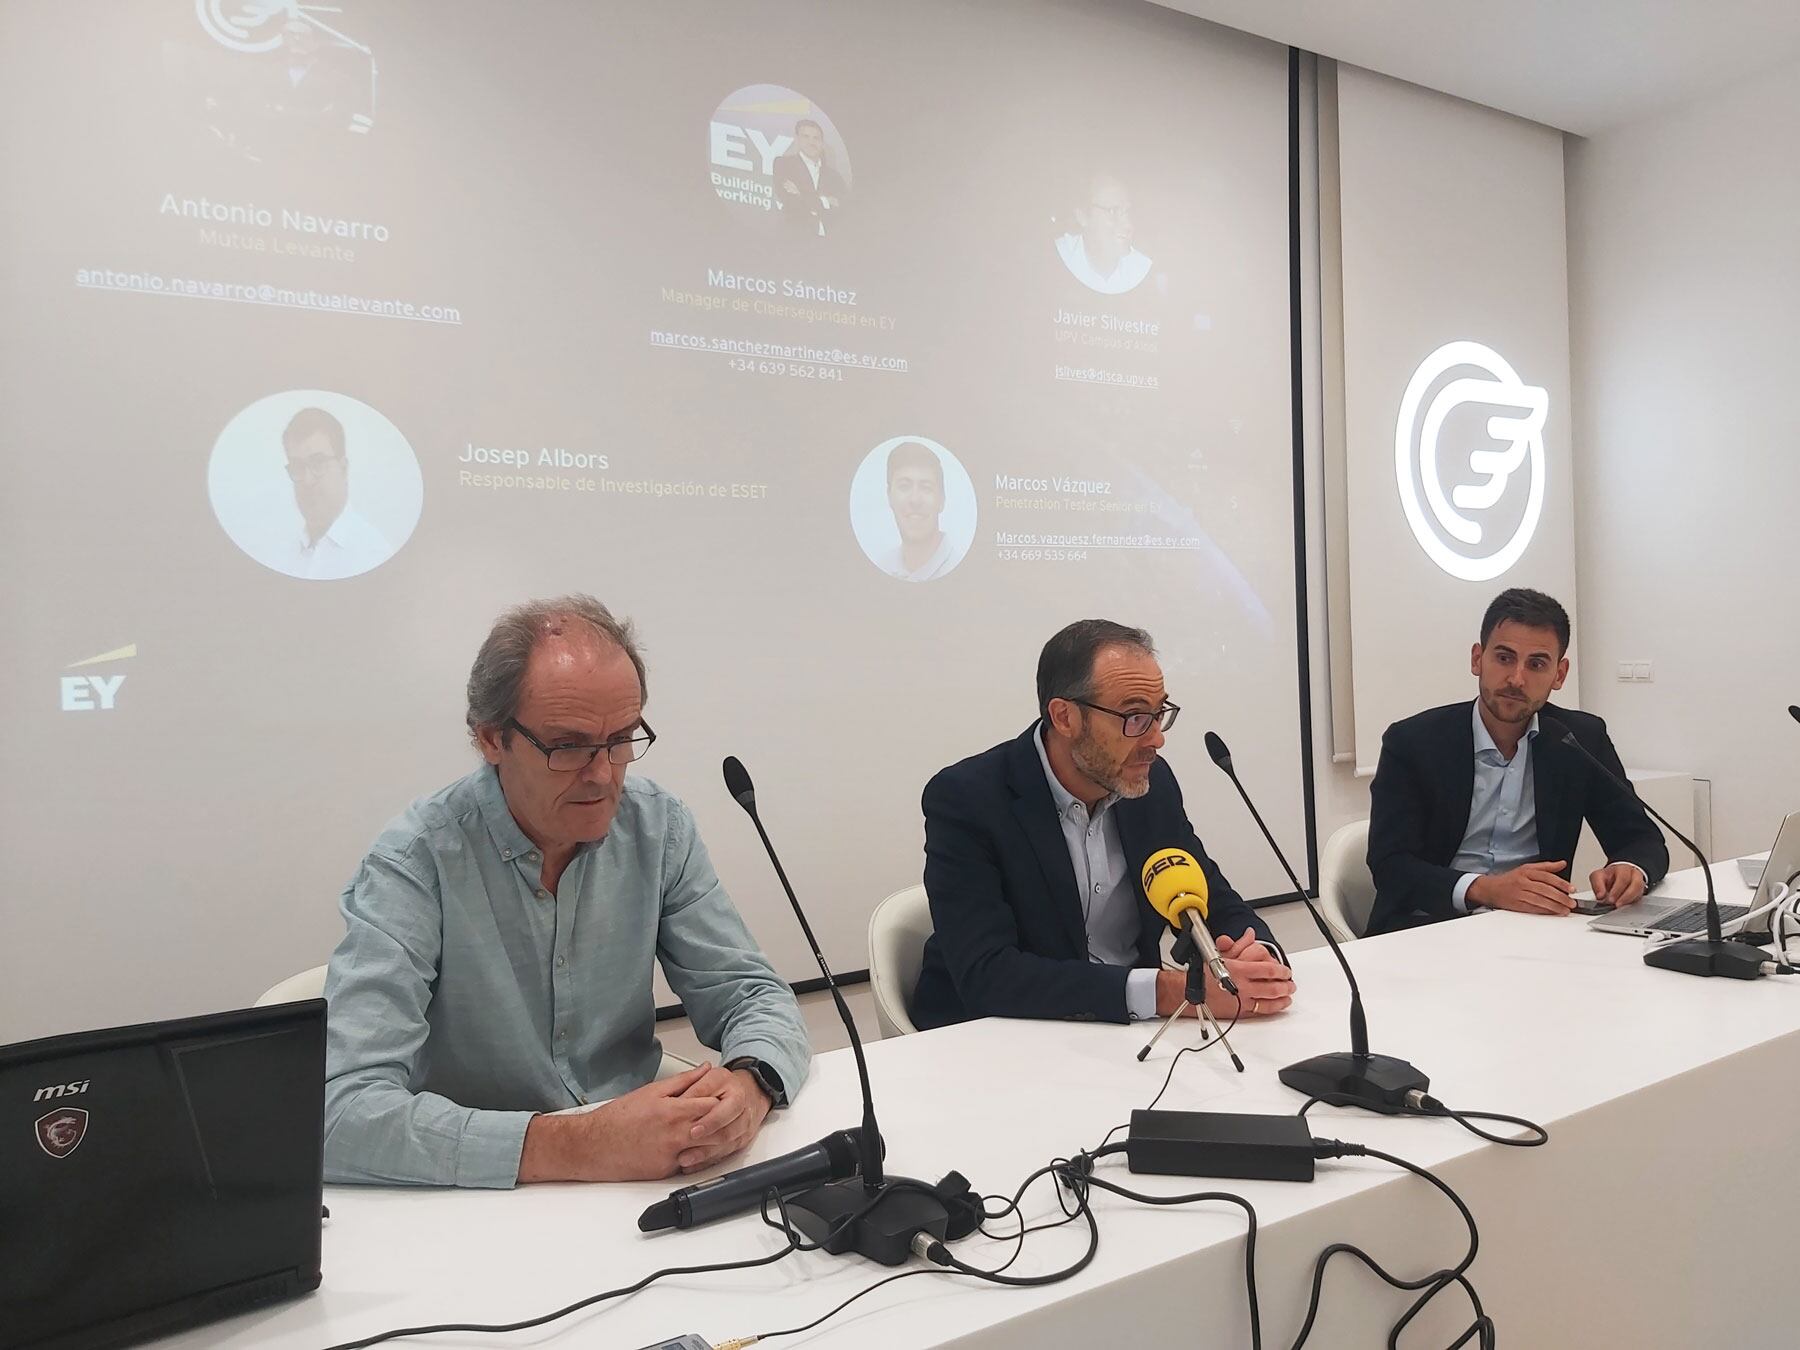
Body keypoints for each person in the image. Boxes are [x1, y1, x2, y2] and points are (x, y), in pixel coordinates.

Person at [322, 596, 810, 1187]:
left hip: (642, 1172)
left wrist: (750, 1085)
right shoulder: (415, 862)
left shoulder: (657, 827)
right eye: (569, 746)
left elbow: (751, 995)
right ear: (491, 739)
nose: (602, 775)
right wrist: (581, 1145)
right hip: (474, 1192)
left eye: (621, 739)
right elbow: (339, 1112)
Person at [910, 619, 1295, 1030]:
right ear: (1064, 717)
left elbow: (1212, 899)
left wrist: (1258, 957)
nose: (1156, 739)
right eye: (1134, 717)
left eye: (1159, 714)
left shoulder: (1152, 785)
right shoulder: (968, 798)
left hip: (1127, 1031)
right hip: (996, 1035)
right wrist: (1170, 990)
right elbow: (988, 973)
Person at [1365, 588, 1670, 936]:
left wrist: (1629, 868)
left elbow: (1642, 839)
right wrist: (1485, 889)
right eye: (1504, 658)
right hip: (1424, 929)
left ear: (1559, 674)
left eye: (1536, 664)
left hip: (1536, 930)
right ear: (1477, 659)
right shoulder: (1413, 742)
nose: (1516, 679)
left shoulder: (1579, 739)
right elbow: (1390, 866)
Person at [268, 407, 395, 580]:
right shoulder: (280, 555)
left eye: (318, 462)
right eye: (297, 466)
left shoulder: (374, 556)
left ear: (343, 469)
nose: (308, 480)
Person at [876, 441, 965, 582]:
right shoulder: (880, 567)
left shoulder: (963, 571)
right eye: (904, 486)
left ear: (942, 500)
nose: (915, 500)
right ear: (889, 496)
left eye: (926, 487)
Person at [1055, 173, 1152, 295]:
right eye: (1113, 211)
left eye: (1128, 211)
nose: (1128, 225)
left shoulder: (1141, 268)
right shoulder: (1055, 258)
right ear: (1082, 217)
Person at [774, 118, 847, 237]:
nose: (811, 142)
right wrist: (825, 201)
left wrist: (801, 194)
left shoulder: (834, 176)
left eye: (816, 138)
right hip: (795, 238)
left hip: (830, 241)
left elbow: (842, 208)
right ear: (797, 139)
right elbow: (791, 201)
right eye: (806, 137)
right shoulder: (784, 164)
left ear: (822, 143)